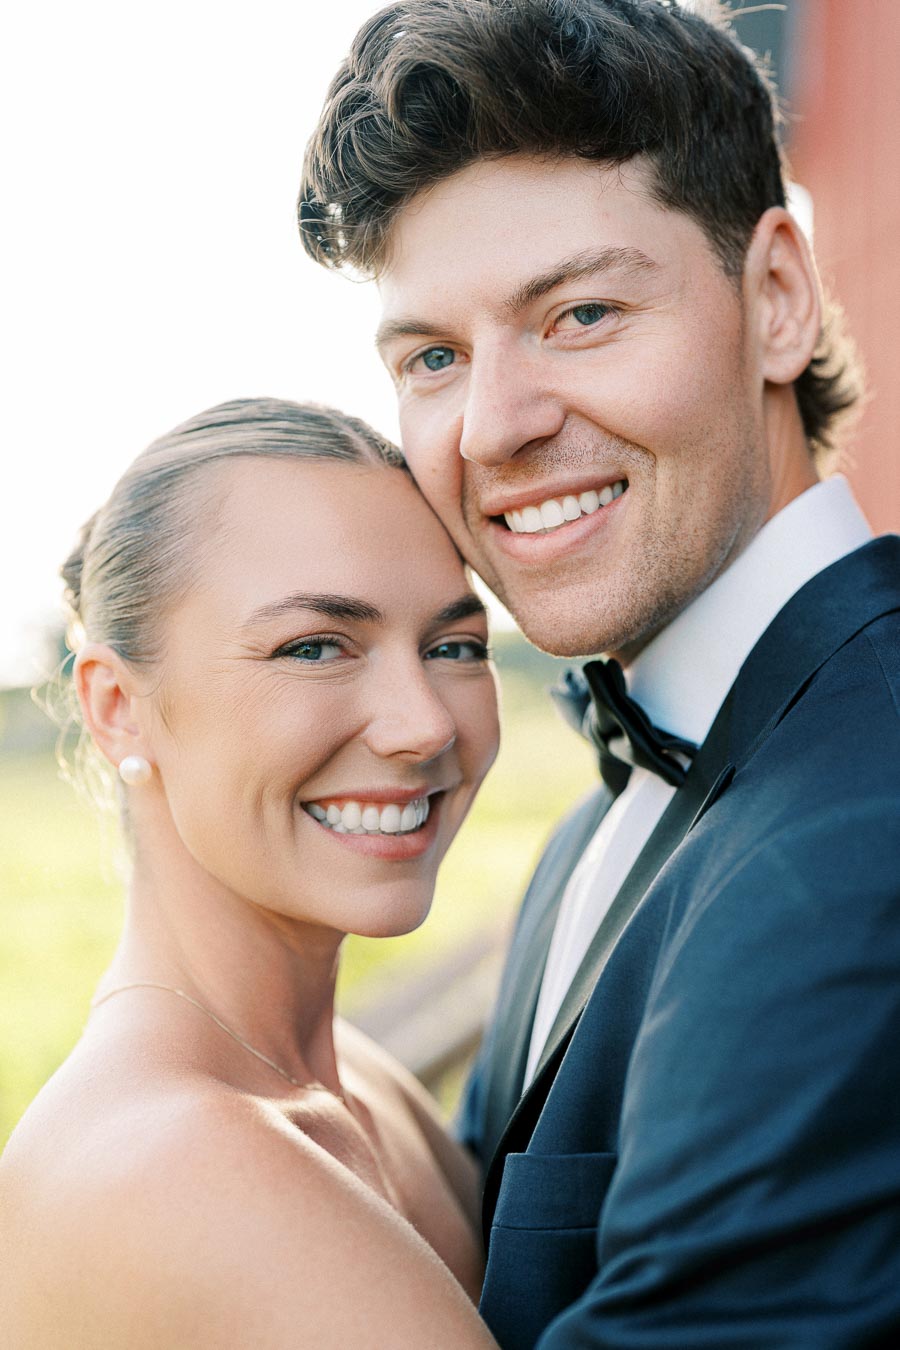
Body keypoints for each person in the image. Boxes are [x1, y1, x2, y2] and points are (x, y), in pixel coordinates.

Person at [299, 1, 900, 1345]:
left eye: (580, 312)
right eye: (436, 357)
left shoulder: (867, 816)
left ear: (779, 301)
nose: (496, 425)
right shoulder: (600, 826)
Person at [0, 397, 503, 1348]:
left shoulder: (359, 1078)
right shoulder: (175, 1166)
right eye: (313, 646)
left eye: (454, 646)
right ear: (116, 708)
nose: (425, 723)